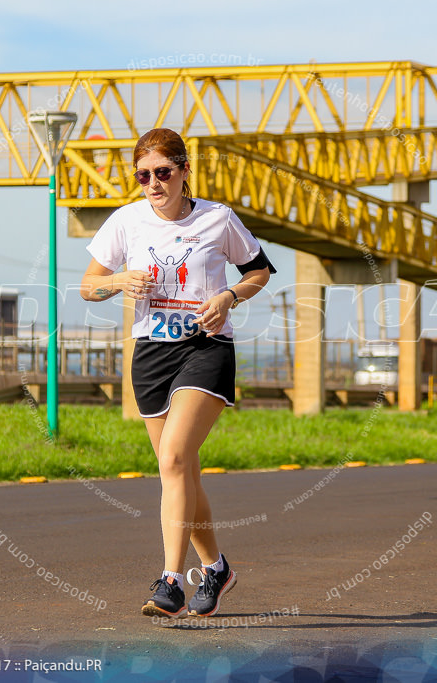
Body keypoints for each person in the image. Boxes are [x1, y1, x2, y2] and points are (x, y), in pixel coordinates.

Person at [80, 128, 273, 616]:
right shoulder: (126, 222)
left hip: (206, 348)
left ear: (185, 171)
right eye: (143, 175)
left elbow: (259, 271)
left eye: (163, 172)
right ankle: (217, 568)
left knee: (173, 458)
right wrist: (117, 281)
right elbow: (88, 287)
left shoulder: (218, 218)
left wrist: (229, 295)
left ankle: (170, 581)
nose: (153, 183)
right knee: (179, 471)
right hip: (151, 354)